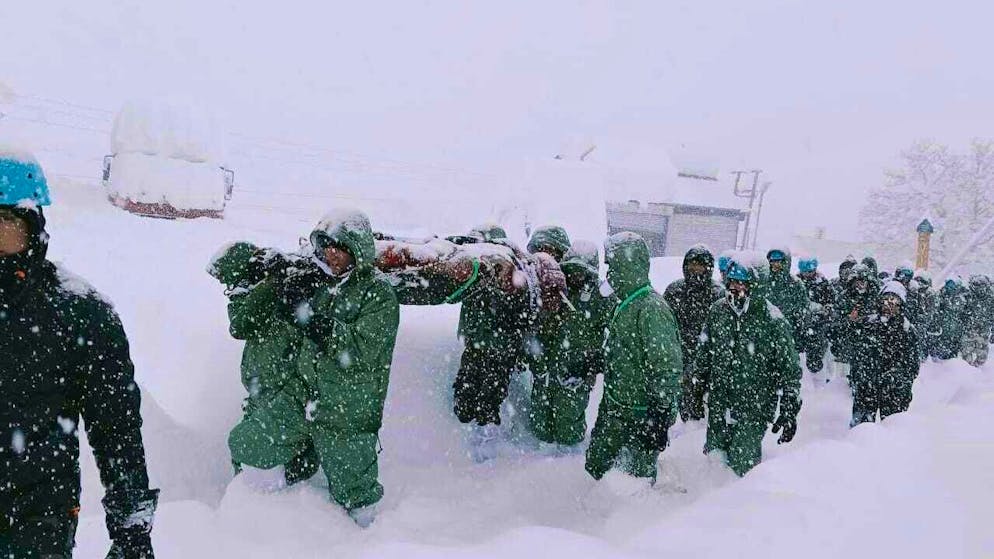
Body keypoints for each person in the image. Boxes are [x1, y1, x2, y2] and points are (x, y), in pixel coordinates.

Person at [0, 152, 158, 557]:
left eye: (5, 222)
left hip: (35, 517)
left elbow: (116, 428)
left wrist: (131, 531)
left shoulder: (79, 311)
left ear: (33, 225)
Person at [210, 243, 323, 486]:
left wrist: (273, 283)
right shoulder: (258, 306)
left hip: (289, 402)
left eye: (234, 283)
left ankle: (293, 488)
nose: (231, 292)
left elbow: (241, 326)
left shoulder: (278, 304)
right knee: (244, 452)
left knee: (244, 443)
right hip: (266, 399)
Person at [687, 260, 802, 476]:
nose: (735, 287)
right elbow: (704, 352)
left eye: (743, 283)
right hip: (720, 402)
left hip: (754, 406)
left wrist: (789, 406)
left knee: (742, 465)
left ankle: (740, 505)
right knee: (715, 460)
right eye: (732, 281)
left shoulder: (772, 319)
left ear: (756, 285)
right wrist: (696, 387)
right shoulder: (718, 311)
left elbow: (790, 368)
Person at [585, 232, 682, 483]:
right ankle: (593, 519)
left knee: (631, 484)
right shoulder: (625, 303)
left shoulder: (651, 308)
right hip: (615, 409)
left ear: (629, 265)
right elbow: (625, 351)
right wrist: (595, 360)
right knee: (599, 471)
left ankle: (631, 522)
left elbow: (667, 367)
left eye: (613, 266)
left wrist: (658, 417)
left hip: (640, 417)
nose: (609, 273)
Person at [528, 241, 615, 449]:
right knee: (539, 420)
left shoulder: (600, 297)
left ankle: (566, 464)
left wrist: (595, 361)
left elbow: (614, 333)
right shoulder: (553, 288)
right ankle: (535, 462)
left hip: (576, 372)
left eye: (581, 271)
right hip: (546, 368)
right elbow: (533, 323)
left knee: (569, 422)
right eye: (572, 269)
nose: (575, 275)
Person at [662, 245, 724, 421]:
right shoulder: (674, 290)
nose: (696, 269)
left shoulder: (717, 294)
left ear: (709, 268)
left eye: (700, 265)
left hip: (705, 359)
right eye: (692, 264)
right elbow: (665, 323)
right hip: (676, 355)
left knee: (697, 412)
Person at [849, 281, 920, 426]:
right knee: (861, 430)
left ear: (901, 305)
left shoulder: (907, 330)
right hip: (866, 386)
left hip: (894, 390)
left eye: (894, 301)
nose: (888, 305)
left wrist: (901, 383)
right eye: (885, 300)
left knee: (894, 430)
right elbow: (851, 346)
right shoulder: (867, 323)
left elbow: (912, 365)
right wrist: (850, 322)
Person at [830, 263, 878, 370]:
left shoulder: (875, 299)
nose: (860, 285)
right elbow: (834, 323)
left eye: (863, 281)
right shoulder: (843, 298)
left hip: (869, 347)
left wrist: (866, 320)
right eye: (857, 281)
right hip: (846, 348)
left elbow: (881, 321)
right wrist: (849, 320)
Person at [797, 256, 834, 374]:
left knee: (817, 344)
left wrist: (825, 310)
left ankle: (816, 369)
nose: (807, 274)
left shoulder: (823, 283)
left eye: (810, 271)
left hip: (818, 323)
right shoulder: (796, 282)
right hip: (799, 320)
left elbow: (831, 302)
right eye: (805, 272)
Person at [765, 248, 810, 344]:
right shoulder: (763, 281)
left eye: (779, 261)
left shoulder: (796, 284)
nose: (775, 264)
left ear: (786, 262)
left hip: (787, 331)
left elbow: (803, 308)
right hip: (765, 329)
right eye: (772, 261)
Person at [932, 277, 968, 361]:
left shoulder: (964, 297)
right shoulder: (941, 295)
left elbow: (966, 314)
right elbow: (935, 310)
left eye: (953, 286)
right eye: (949, 285)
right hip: (944, 329)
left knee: (952, 353)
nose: (950, 288)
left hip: (955, 330)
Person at [961, 275, 993, 367]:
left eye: (981, 286)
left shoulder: (990, 298)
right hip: (970, 328)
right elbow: (962, 311)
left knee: (981, 353)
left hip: (982, 329)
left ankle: (977, 370)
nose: (980, 288)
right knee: (967, 351)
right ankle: (968, 369)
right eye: (977, 285)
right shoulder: (968, 296)